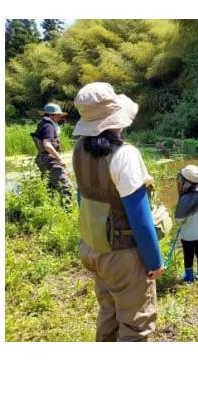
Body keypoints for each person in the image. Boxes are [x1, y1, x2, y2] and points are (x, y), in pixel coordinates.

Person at [72, 82, 164, 342]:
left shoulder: (79, 151)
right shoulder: (124, 155)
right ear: (115, 119)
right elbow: (140, 217)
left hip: (93, 249)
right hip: (122, 256)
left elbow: (84, 199)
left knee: (109, 313)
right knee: (136, 326)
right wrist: (154, 261)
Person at [30, 103, 72, 205]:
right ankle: (68, 212)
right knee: (65, 185)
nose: (59, 117)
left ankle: (49, 207)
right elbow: (47, 144)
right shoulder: (49, 126)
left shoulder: (42, 124)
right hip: (50, 159)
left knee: (49, 185)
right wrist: (59, 159)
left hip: (41, 158)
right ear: (51, 115)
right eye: (58, 115)